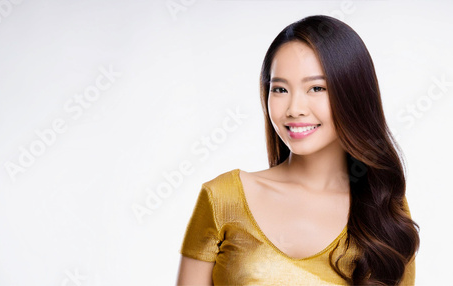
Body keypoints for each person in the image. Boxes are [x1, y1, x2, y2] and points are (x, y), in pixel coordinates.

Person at [176, 15, 420, 285]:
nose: (294, 109)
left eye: (316, 88)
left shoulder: (384, 206)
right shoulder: (222, 198)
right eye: (279, 89)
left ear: (353, 93)